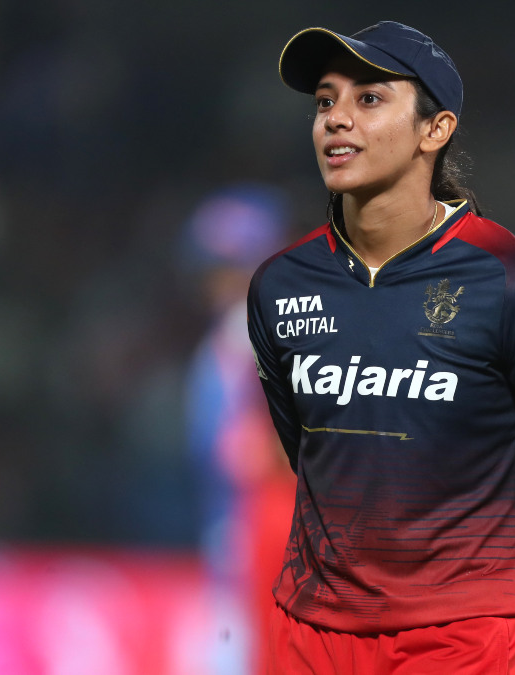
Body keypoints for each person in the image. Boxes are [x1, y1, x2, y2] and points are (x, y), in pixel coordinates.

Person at [247, 21, 515, 674]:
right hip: (311, 637)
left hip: (459, 638)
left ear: (434, 130)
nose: (336, 119)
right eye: (325, 101)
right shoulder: (279, 287)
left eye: (368, 99)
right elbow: (317, 454)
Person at [182, 185, 299, 674]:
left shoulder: (275, 334)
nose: (224, 282)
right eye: (215, 270)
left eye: (235, 266)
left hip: (274, 540)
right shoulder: (221, 346)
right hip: (231, 539)